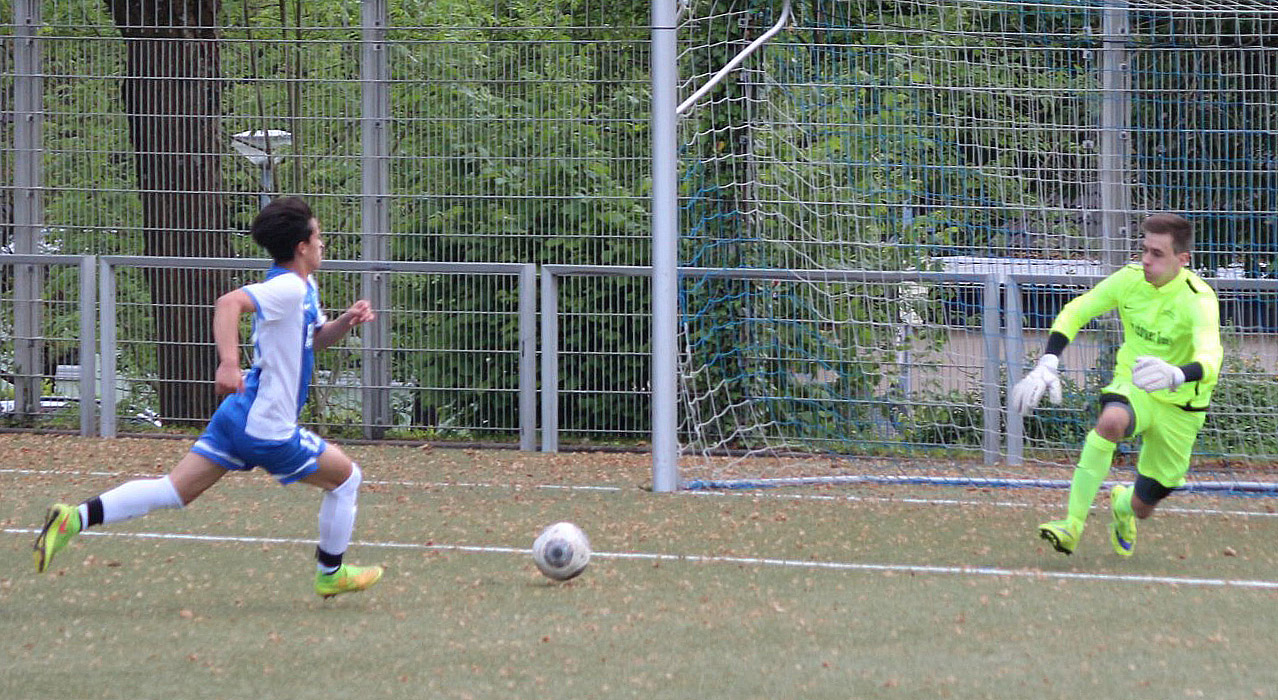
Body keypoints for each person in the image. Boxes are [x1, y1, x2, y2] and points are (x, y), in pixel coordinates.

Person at [33, 196, 385, 597]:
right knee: (346, 479)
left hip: (240, 413)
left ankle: (74, 518)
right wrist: (229, 364)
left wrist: (345, 321)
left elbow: (313, 339)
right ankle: (331, 572)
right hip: (266, 424)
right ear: (301, 247)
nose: (323, 243)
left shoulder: (303, 286)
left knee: (173, 490)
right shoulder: (287, 287)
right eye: (318, 236)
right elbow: (229, 303)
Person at [1010, 213, 1222, 556]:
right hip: (1134, 385)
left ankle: (1123, 505)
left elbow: (1211, 359)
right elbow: (1077, 310)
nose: (1146, 260)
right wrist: (1048, 360)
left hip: (1182, 406)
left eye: (1157, 253)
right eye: (1144, 250)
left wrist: (1176, 374)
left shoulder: (1199, 299)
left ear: (1182, 259)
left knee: (1144, 505)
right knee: (1111, 421)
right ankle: (1071, 525)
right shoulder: (1129, 280)